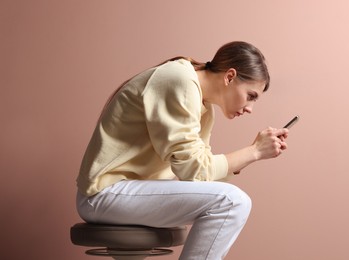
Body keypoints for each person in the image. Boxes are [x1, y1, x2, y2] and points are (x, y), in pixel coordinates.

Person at [76, 41, 289, 260]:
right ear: (230, 76)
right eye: (251, 95)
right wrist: (254, 151)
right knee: (233, 201)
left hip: (130, 191)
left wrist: (255, 154)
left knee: (230, 200)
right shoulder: (180, 80)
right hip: (104, 193)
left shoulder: (203, 106)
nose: (250, 109)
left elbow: (199, 177)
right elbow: (194, 170)